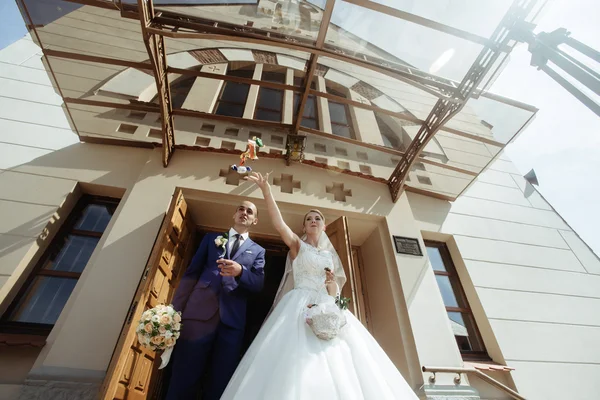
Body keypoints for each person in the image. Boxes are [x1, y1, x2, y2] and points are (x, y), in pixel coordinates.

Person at [220, 172, 419, 399]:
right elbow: (279, 223)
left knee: (341, 359)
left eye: (317, 219)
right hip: (297, 305)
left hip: (325, 305)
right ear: (304, 228)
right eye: (309, 219)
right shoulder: (297, 246)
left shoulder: (329, 256)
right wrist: (266, 190)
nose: (313, 221)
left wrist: (332, 287)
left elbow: (333, 291)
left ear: (324, 227)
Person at [166, 201, 266, 400]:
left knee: (221, 380)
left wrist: (241, 272)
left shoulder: (258, 251)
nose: (244, 213)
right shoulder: (211, 239)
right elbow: (191, 273)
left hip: (231, 323)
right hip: (197, 316)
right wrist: (174, 310)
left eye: (249, 211)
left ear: (255, 220)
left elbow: (258, 284)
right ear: (234, 214)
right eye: (240, 208)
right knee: (185, 374)